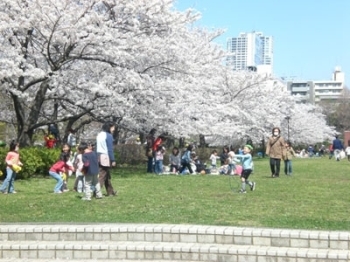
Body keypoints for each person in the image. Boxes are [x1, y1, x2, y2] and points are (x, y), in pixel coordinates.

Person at [96, 121, 117, 196]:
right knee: (102, 174)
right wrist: (113, 160)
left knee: (106, 175)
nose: (114, 129)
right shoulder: (108, 136)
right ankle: (97, 191)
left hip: (98, 155)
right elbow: (110, 149)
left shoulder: (99, 135)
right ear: (109, 127)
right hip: (105, 156)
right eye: (113, 127)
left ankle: (110, 191)